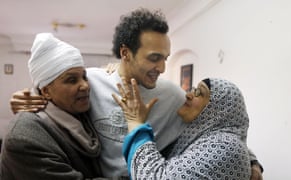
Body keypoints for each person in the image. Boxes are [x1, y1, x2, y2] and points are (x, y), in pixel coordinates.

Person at [8, 8, 263, 179]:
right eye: (154, 58)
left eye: (165, 58)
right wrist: (26, 97)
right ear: (125, 53)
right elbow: (53, 92)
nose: (162, 68)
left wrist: (251, 162)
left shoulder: (173, 95)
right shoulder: (91, 82)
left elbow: (215, 124)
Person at [1, 33, 102, 179]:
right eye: (72, 80)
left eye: (84, 76)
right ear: (46, 91)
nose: (85, 86)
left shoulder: (78, 111)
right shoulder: (23, 137)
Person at [113, 77, 252, 179]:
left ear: (217, 111)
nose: (188, 95)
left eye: (199, 93)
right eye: (193, 89)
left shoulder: (226, 147)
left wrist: (135, 122)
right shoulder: (204, 134)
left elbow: (155, 177)